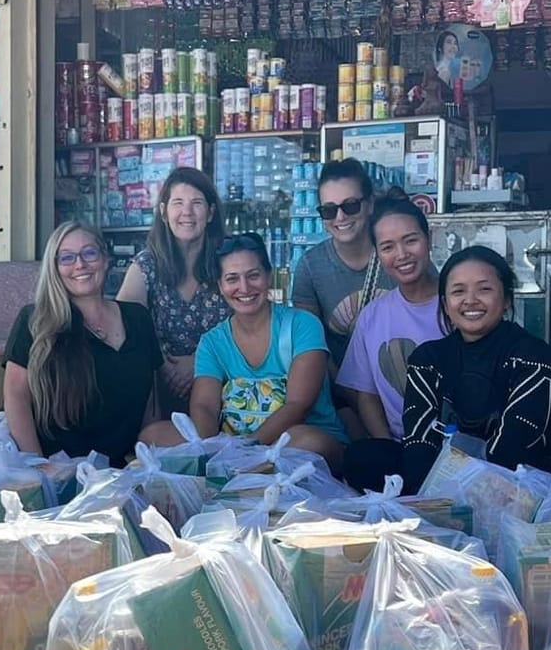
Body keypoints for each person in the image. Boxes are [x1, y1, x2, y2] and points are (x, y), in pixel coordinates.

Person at [148, 233, 346, 469]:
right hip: (230, 444)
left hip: (289, 440)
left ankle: (242, 469)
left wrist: (246, 449)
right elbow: (205, 406)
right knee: (152, 435)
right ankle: (230, 470)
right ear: (220, 286)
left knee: (310, 442)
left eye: (253, 275)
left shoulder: (302, 325)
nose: (244, 288)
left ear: (268, 276)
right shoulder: (212, 342)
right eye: (232, 278)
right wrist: (206, 446)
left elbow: (298, 405)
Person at [397, 246, 551, 492]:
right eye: (458, 291)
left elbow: (513, 444)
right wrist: (427, 502)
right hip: (444, 486)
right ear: (445, 304)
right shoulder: (427, 359)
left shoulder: (534, 356)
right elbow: (420, 441)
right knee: (366, 457)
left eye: (484, 289)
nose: (470, 300)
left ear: (507, 299)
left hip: (523, 487)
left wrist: (472, 495)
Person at [3, 222, 159, 469]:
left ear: (105, 259)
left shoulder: (138, 317)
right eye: (67, 257)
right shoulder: (35, 321)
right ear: (54, 268)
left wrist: (145, 460)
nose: (80, 264)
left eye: (89, 253)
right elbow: (16, 397)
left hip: (124, 471)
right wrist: (37, 465)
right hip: (59, 471)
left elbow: (151, 401)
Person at [338, 199, 446, 490]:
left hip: (455, 445)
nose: (401, 254)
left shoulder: (456, 304)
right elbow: (367, 395)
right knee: (360, 459)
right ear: (377, 253)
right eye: (387, 247)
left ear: (429, 239)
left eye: (410, 240)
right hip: (403, 447)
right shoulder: (372, 315)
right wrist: (387, 446)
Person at [117, 168, 229, 413]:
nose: (187, 212)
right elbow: (125, 327)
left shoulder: (228, 262)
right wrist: (161, 365)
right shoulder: (146, 265)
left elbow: (250, 326)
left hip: (222, 388)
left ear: (210, 213)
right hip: (157, 387)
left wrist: (200, 362)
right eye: (178, 202)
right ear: (163, 212)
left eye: (196, 203)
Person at [290, 158, 394, 378]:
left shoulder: (398, 255)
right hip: (338, 386)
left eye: (350, 205)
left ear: (370, 204)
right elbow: (311, 345)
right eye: (329, 210)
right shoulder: (310, 267)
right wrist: (346, 390)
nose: (340, 217)